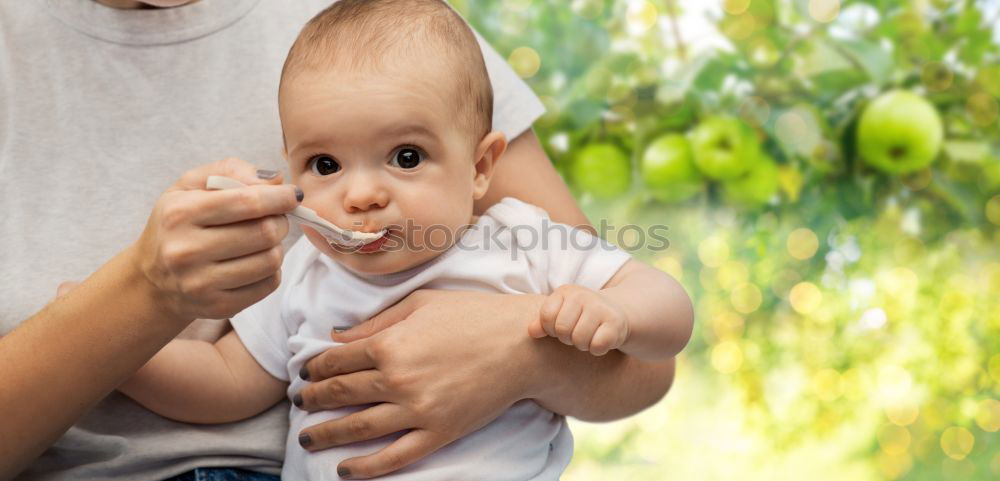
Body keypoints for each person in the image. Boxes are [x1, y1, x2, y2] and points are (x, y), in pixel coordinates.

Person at [0, 0, 688, 480]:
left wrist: (612, 316)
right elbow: (229, 381)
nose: (360, 193)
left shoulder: (520, 239)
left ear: (481, 166)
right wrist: (116, 332)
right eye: (325, 166)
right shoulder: (304, 272)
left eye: (407, 157)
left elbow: (661, 313)